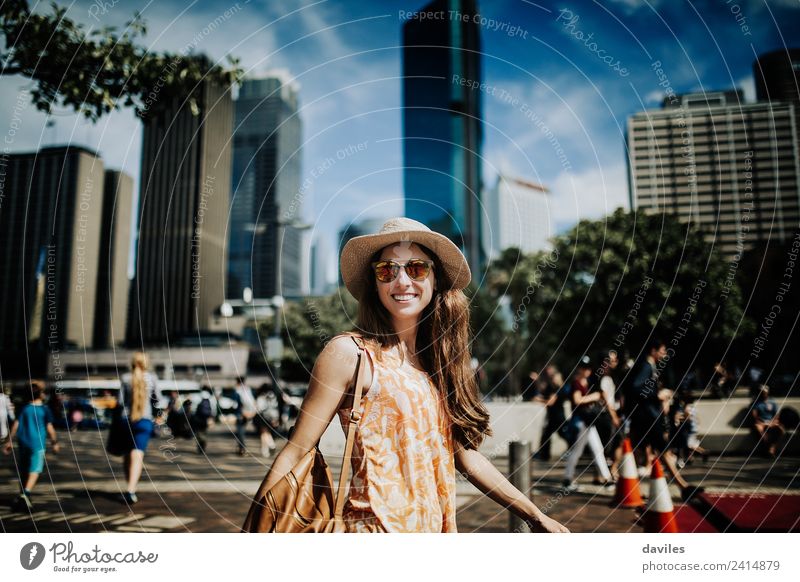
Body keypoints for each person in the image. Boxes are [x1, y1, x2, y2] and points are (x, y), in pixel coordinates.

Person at [250, 217, 568, 533]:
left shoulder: (437, 366)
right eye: (387, 270)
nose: (402, 281)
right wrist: (256, 532)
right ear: (375, 284)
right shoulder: (350, 354)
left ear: (435, 279)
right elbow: (297, 449)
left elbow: (469, 461)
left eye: (416, 268)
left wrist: (536, 516)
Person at [623, 339, 703, 501]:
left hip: (646, 416)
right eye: (662, 351)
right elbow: (636, 388)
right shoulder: (646, 366)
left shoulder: (649, 366)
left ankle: (682, 487)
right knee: (659, 450)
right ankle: (683, 487)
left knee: (642, 450)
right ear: (653, 350)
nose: (664, 354)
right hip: (648, 417)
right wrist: (657, 395)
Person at [2, 381, 60, 510]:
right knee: (35, 469)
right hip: (37, 444)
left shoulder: (24, 408)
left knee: (24, 469)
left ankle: (22, 494)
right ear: (40, 394)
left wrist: (9, 441)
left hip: (23, 442)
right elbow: (50, 428)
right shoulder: (44, 410)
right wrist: (54, 442)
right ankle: (26, 494)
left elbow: (16, 425)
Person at [562, 357, 613, 491]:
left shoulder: (587, 382)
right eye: (584, 368)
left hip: (589, 422)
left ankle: (607, 478)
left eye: (588, 368)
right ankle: (568, 479)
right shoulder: (576, 383)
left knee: (597, 449)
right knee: (578, 451)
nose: (587, 371)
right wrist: (594, 397)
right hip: (581, 423)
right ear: (579, 369)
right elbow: (577, 400)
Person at [119, 352, 158, 505]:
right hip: (144, 420)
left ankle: (129, 484)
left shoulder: (126, 378)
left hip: (126, 419)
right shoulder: (152, 378)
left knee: (127, 455)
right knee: (137, 455)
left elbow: (120, 401)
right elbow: (158, 400)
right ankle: (131, 489)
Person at [591, 350, 623, 478]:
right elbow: (605, 399)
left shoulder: (611, 377)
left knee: (617, 442)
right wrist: (614, 416)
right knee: (604, 445)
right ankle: (600, 474)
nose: (615, 362)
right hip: (605, 416)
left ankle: (612, 470)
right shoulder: (601, 378)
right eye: (611, 360)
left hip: (611, 414)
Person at [532, 365, 568, 461]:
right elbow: (542, 390)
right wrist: (537, 381)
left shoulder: (557, 388)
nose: (551, 377)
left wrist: (538, 400)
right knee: (547, 436)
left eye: (552, 375)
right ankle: (544, 455)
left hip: (557, 417)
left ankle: (544, 455)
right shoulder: (552, 387)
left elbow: (550, 402)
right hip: (553, 417)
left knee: (562, 435)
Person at [749, 385, 784, 457]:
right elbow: (754, 415)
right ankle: (770, 449)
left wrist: (773, 422)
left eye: (764, 392)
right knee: (759, 429)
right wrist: (761, 422)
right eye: (761, 392)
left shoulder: (772, 402)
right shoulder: (756, 403)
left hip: (772, 422)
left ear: (767, 393)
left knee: (780, 429)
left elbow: (777, 414)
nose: (763, 394)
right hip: (761, 422)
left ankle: (770, 449)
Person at [253, 384, 280, 457]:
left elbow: (259, 408)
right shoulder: (273, 395)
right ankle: (265, 450)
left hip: (263, 416)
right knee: (265, 433)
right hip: (272, 416)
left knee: (264, 433)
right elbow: (275, 406)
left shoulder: (261, 397)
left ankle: (271, 445)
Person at [233, 377, 257, 456]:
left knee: (240, 431)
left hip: (240, 413)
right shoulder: (248, 390)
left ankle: (241, 448)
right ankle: (241, 448)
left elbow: (235, 404)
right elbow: (253, 401)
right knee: (242, 431)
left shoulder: (237, 390)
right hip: (248, 413)